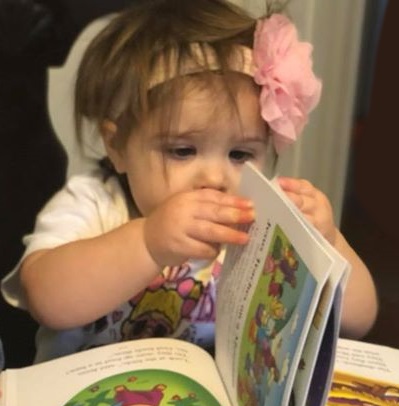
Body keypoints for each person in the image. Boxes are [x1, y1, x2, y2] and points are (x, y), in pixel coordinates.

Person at [1, 0, 377, 363]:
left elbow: (359, 319)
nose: (214, 177)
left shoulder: (262, 214)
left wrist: (327, 242)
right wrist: (148, 242)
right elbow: (47, 301)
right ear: (117, 146)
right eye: (182, 151)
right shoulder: (93, 203)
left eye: (240, 154)